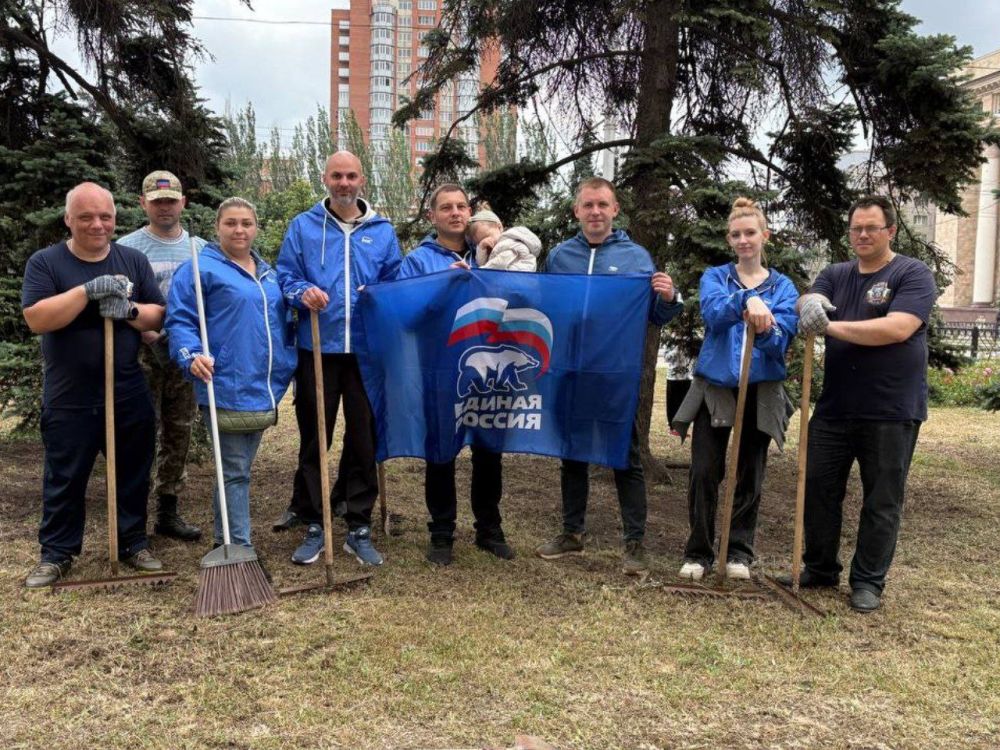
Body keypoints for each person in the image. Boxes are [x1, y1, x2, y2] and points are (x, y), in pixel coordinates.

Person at [782, 195, 936, 613]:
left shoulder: (912, 273)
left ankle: (867, 581)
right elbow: (809, 297)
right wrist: (808, 303)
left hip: (891, 410)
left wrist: (830, 325)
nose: (863, 235)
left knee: (882, 499)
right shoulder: (837, 273)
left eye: (872, 227)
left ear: (891, 231)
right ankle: (819, 567)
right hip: (835, 408)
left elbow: (898, 328)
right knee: (817, 487)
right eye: (856, 228)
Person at [21, 182, 166, 588]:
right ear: (69, 219)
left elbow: (156, 315)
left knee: (133, 471)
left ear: (115, 219)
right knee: (65, 476)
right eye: (86, 217)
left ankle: (133, 542)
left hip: (126, 390)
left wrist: (130, 309)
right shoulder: (46, 263)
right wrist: (85, 292)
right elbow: (37, 318)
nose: (97, 225)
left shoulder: (132, 260)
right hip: (70, 396)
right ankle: (57, 553)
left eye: (105, 217)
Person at [536, 177, 684, 575]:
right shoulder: (559, 256)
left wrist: (670, 297)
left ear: (615, 210)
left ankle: (634, 543)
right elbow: (543, 305)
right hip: (569, 370)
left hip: (615, 375)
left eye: (603, 204)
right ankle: (572, 533)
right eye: (588, 205)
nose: (596, 212)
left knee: (626, 456)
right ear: (577, 211)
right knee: (571, 453)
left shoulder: (636, 257)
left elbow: (657, 314)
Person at [275, 151, 402, 567]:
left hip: (367, 351)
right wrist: (301, 293)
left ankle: (359, 525)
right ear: (325, 179)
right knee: (316, 438)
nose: (344, 183)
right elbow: (286, 276)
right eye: (336, 176)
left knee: (365, 438)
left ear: (362, 179)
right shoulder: (304, 226)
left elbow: (395, 281)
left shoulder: (382, 230)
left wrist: (380, 297)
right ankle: (315, 522)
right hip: (318, 348)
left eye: (350, 176)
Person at [671, 198, 798, 581]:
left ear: (765, 236)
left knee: (750, 472)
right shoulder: (716, 277)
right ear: (730, 239)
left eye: (751, 233)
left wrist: (765, 326)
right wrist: (748, 299)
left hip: (760, 389)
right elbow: (712, 312)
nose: (744, 240)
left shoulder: (784, 285)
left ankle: (739, 551)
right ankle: (699, 552)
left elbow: (780, 342)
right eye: (737, 234)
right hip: (717, 387)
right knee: (705, 470)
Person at [165, 197, 296, 553]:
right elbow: (180, 320)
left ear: (256, 228)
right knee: (234, 471)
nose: (240, 230)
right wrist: (191, 355)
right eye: (231, 223)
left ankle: (228, 538)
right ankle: (236, 544)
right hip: (224, 384)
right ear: (217, 227)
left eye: (247, 223)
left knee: (238, 469)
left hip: (263, 386)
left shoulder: (268, 273)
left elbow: (279, 324)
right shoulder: (198, 269)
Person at [396, 184, 514, 566]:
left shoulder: (492, 254)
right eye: (446, 207)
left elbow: (517, 299)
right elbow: (406, 317)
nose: (455, 213)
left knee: (489, 448)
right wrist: (444, 286)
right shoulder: (417, 262)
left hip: (490, 368)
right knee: (441, 451)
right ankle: (442, 531)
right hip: (440, 368)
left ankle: (489, 528)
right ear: (433, 216)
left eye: (462, 206)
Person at [118, 170, 205, 541]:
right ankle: (131, 516)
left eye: (171, 201)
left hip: (184, 354)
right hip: (141, 354)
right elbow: (118, 301)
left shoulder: (199, 249)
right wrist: (146, 329)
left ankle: (167, 511)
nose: (165, 208)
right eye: (157, 202)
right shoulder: (126, 248)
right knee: (139, 432)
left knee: (179, 431)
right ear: (144, 204)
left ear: (183, 202)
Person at [466, 208, 541, 271]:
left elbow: (499, 263)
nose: (486, 241)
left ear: (499, 227)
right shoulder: (493, 249)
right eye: (480, 242)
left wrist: (478, 272)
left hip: (522, 278)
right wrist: (481, 249)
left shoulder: (509, 242)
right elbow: (482, 264)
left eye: (487, 236)